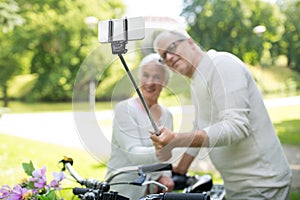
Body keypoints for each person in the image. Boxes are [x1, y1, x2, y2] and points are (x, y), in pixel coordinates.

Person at [150, 30, 292, 199]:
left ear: (190, 42)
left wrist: (175, 140)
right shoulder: (197, 81)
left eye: (171, 48)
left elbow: (236, 127)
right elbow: (201, 127)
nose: (169, 58)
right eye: (163, 56)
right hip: (238, 186)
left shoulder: (221, 65)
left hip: (263, 184)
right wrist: (180, 170)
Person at [105, 53, 174, 200]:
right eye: (146, 75)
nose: (150, 82)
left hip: (152, 192)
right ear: (139, 78)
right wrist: (158, 159)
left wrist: (165, 175)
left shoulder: (168, 115)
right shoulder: (124, 109)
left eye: (157, 77)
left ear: (166, 81)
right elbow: (133, 153)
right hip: (122, 191)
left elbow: (167, 153)